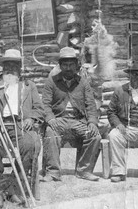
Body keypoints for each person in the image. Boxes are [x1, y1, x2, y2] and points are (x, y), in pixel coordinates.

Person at [0, 49, 43, 209]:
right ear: (3, 67)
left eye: (14, 65)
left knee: (29, 145)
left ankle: (14, 188)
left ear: (19, 67)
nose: (10, 69)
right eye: (7, 65)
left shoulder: (28, 85)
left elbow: (39, 109)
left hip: (20, 128)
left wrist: (30, 118)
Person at [41, 47, 101, 182]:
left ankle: (83, 171)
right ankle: (53, 172)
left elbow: (91, 105)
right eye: (65, 65)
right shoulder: (52, 81)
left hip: (78, 121)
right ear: (60, 66)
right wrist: (50, 118)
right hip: (58, 119)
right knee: (50, 133)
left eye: (71, 65)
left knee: (95, 136)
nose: (68, 68)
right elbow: (45, 104)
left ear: (76, 65)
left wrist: (92, 122)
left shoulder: (83, 82)